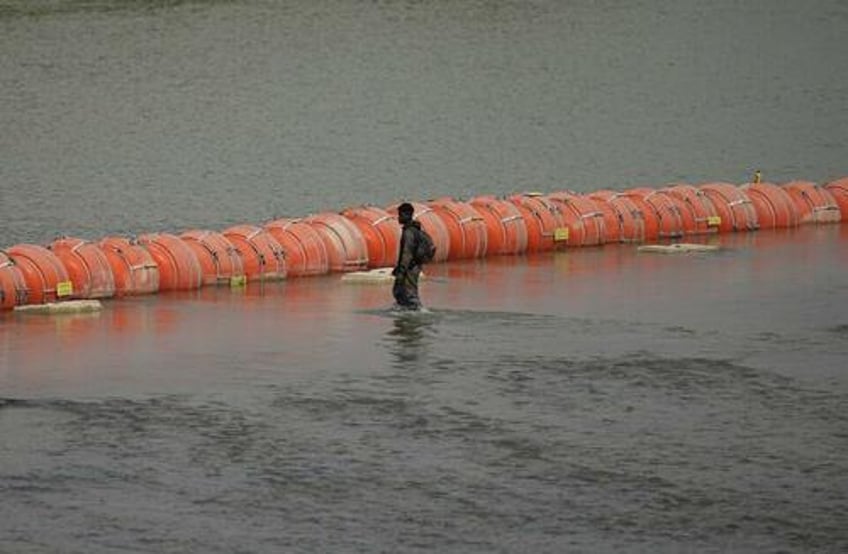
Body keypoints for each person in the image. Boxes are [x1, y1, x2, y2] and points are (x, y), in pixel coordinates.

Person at [392, 202, 425, 310]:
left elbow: (407, 253)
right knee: (399, 291)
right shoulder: (415, 229)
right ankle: (405, 311)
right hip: (413, 267)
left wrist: (401, 271)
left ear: (406, 215)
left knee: (410, 294)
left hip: (409, 268)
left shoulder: (409, 233)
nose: (398, 217)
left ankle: (416, 313)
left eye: (400, 215)